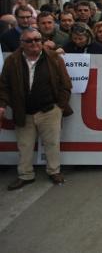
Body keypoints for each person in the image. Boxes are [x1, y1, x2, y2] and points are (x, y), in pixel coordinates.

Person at [0, 27, 73, 189]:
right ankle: (25, 175)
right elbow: (4, 86)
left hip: (49, 110)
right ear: (21, 43)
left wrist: (60, 107)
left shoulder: (54, 58)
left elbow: (66, 85)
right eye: (29, 40)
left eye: (37, 39)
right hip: (23, 111)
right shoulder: (12, 60)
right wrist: (2, 105)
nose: (34, 43)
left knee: (52, 144)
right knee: (24, 145)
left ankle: (54, 171)